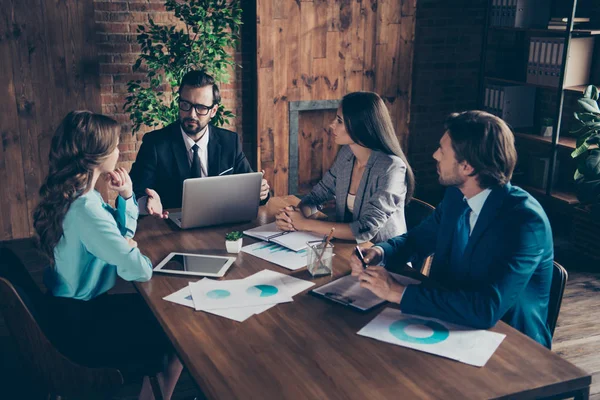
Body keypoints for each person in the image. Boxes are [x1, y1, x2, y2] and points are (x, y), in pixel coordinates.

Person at [350, 110, 554, 348]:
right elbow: (417, 240)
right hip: (448, 324)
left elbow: (486, 309)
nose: (435, 155)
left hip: (507, 345)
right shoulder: (457, 196)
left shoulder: (525, 222)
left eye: (443, 151)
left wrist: (398, 292)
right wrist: (379, 252)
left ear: (467, 167)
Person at [33, 111, 182, 399]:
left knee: (162, 317)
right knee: (175, 331)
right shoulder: (86, 209)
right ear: (96, 157)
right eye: (114, 146)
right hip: (81, 327)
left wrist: (127, 196)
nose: (117, 151)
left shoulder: (81, 196)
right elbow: (139, 270)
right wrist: (129, 248)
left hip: (69, 311)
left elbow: (119, 231)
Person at [275, 91, 415, 243]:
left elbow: (365, 229)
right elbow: (318, 196)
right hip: (349, 249)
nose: (331, 124)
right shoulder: (347, 154)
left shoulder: (392, 168)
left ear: (361, 126)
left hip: (383, 258)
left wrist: (305, 224)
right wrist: (293, 216)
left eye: (339, 121)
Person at [130, 70, 270, 217]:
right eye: (186, 105)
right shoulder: (155, 144)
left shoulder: (230, 142)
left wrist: (261, 192)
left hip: (219, 224)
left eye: (201, 108)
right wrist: (146, 202)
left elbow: (250, 189)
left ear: (214, 111)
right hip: (171, 229)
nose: (192, 114)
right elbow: (133, 193)